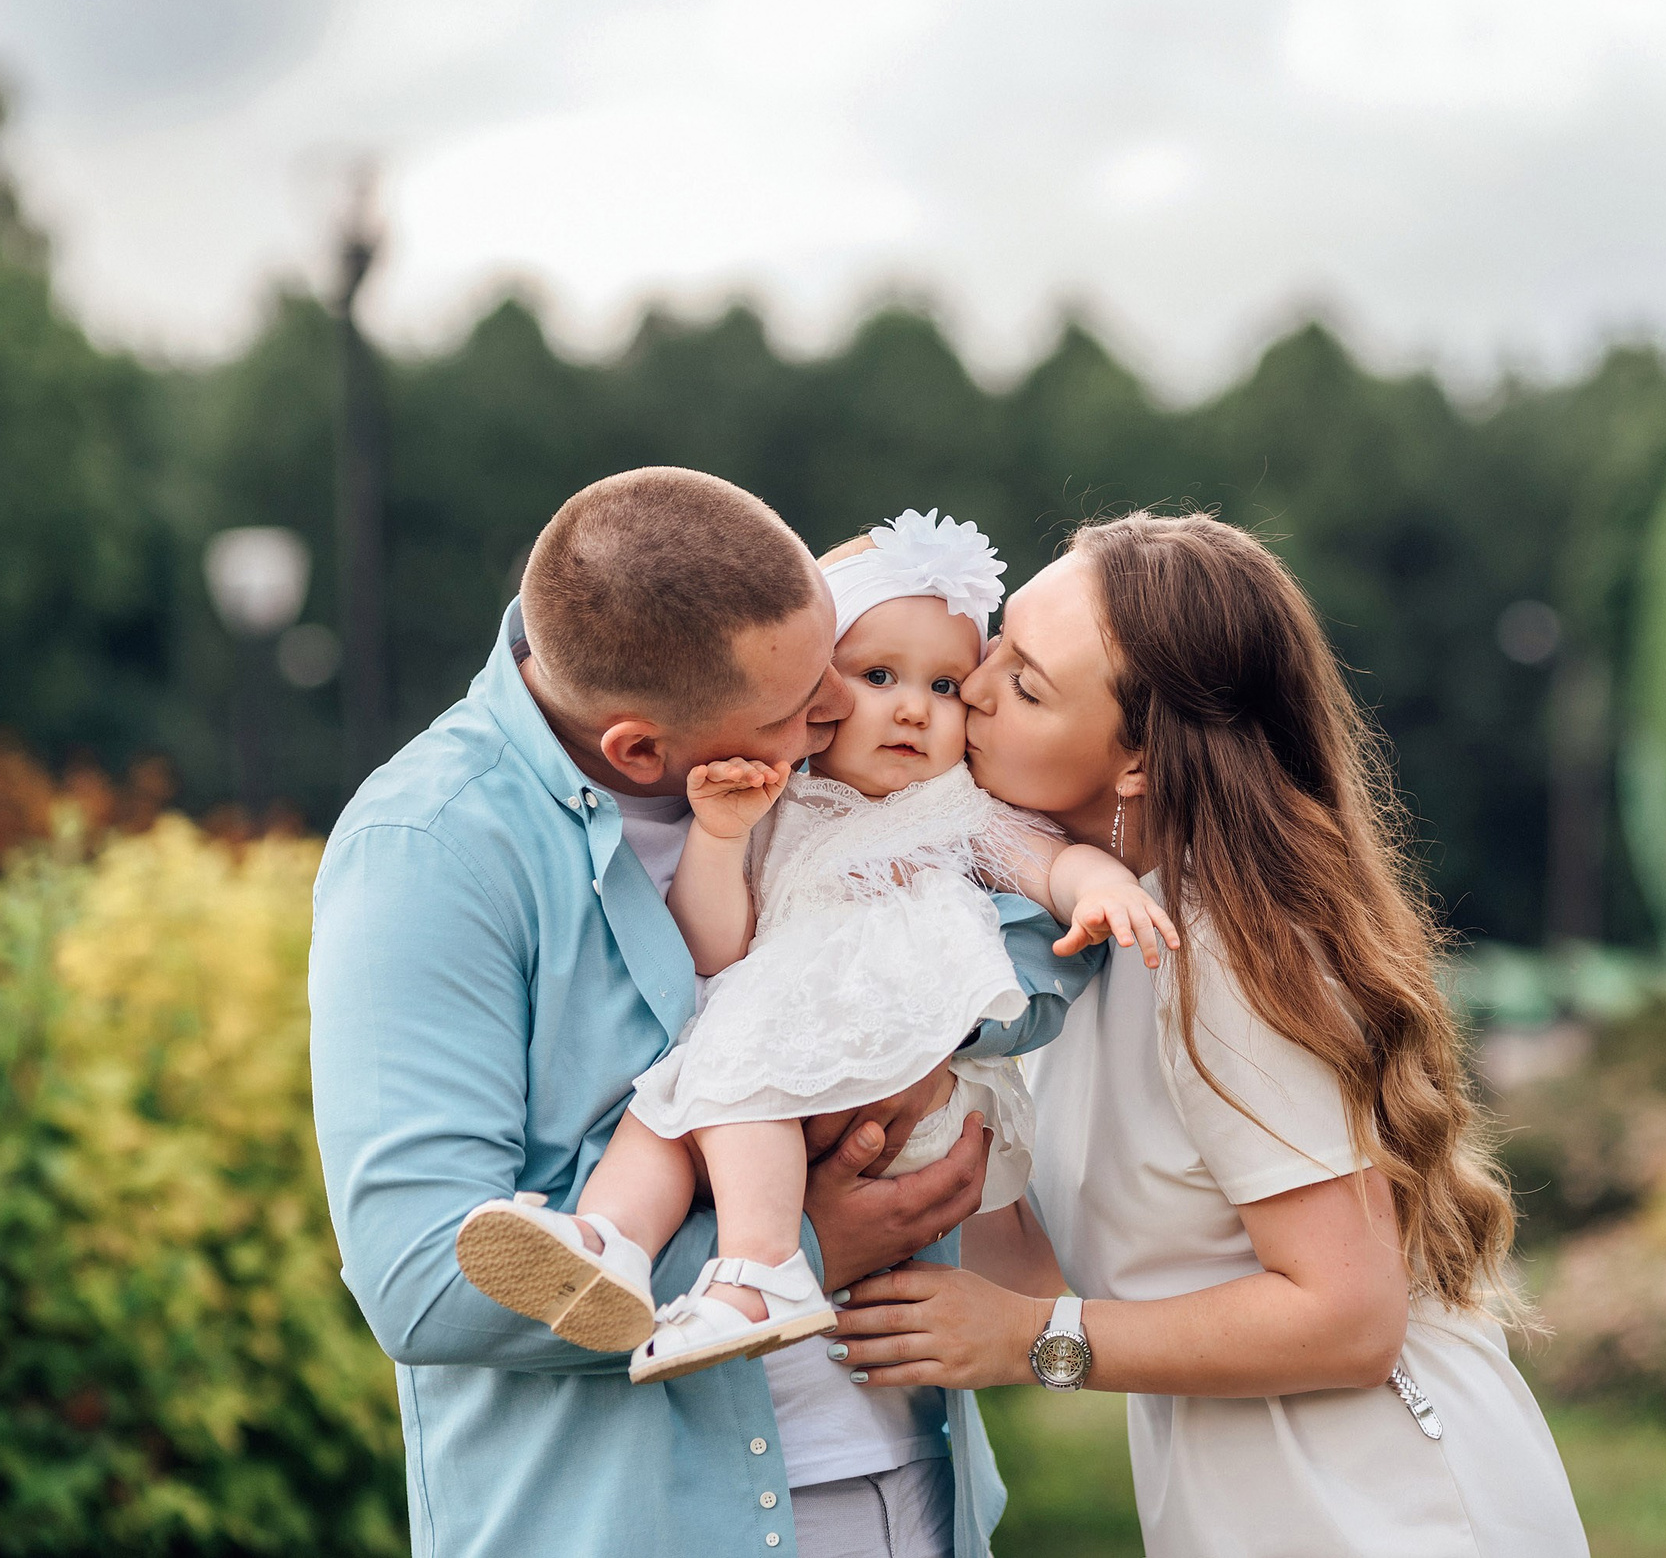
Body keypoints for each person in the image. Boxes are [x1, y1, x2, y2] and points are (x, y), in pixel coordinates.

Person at [306, 469, 1099, 1558]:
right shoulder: (433, 847)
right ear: (640, 750)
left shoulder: (770, 723)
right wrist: (811, 1239)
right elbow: (419, 1285)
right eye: (799, 706)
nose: (836, 713)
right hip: (636, 1519)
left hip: (906, 1483)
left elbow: (1024, 945)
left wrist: (903, 1031)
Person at [830, 511, 1591, 1558]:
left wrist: (1030, 1344)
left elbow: (1348, 1318)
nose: (976, 685)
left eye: (1031, 683)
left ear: (1136, 758)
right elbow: (1043, 1264)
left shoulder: (1225, 947)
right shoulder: (1089, 933)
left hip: (1388, 1511)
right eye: (996, 644)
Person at [453, 510, 1177, 1385]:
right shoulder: (778, 802)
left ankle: (762, 1269)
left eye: (947, 686)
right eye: (878, 675)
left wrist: (1099, 886)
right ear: (815, 689)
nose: (914, 706)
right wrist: (721, 838)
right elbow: (716, 948)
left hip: (886, 1048)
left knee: (736, 1085)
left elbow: (1052, 862)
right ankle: (608, 1246)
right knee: (665, 1111)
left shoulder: (955, 809)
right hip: (788, 1039)